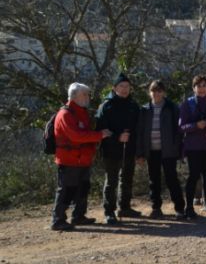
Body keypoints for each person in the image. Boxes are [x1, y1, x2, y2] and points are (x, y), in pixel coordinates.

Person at [50, 83, 112, 231]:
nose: (88, 97)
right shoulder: (65, 114)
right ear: (74, 96)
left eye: (87, 94)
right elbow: (76, 136)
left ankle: (79, 216)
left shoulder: (81, 112)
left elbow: (84, 134)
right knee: (67, 190)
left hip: (82, 159)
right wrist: (99, 135)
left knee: (83, 188)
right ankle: (58, 220)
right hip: (69, 160)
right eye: (85, 94)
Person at [135, 80, 186, 219]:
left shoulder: (172, 108)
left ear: (164, 92)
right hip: (152, 151)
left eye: (159, 91)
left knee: (172, 179)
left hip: (169, 151)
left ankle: (180, 208)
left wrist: (177, 148)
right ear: (149, 92)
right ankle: (156, 208)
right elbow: (140, 132)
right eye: (153, 90)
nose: (156, 93)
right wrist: (140, 153)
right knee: (154, 180)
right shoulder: (144, 109)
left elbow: (179, 130)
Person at [95, 72, 141, 224]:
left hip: (129, 148)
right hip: (110, 149)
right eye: (121, 86)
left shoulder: (134, 106)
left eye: (127, 86)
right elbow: (101, 129)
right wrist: (117, 137)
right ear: (114, 88)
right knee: (111, 181)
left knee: (127, 178)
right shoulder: (106, 106)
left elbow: (138, 128)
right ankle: (109, 212)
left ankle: (125, 207)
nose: (124, 89)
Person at [180, 74, 206, 218]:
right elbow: (181, 127)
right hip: (193, 147)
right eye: (198, 86)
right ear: (193, 88)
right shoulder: (187, 104)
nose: (202, 89)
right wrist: (195, 126)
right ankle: (189, 207)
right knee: (193, 176)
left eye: (204, 86)